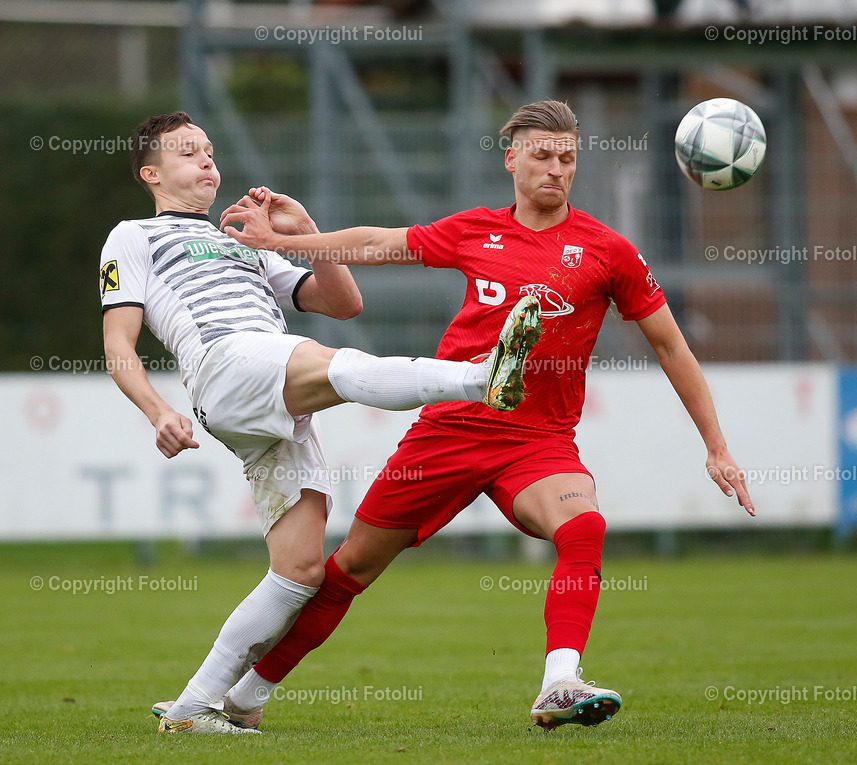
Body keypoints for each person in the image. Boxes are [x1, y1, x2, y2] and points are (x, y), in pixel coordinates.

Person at [208, 99, 755, 732]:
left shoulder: (608, 252)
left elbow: (671, 347)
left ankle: (559, 683)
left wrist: (716, 446)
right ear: (513, 160)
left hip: (538, 441)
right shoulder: (477, 230)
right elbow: (382, 242)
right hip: (450, 429)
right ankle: (248, 693)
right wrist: (283, 241)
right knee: (351, 567)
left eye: (568, 158)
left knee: (584, 528)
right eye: (543, 155)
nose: (556, 168)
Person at [102, 111, 542, 734]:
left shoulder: (244, 238)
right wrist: (159, 410)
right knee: (342, 366)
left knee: (301, 570)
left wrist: (302, 229)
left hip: (267, 389)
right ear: (151, 173)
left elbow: (343, 302)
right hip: (226, 362)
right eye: (187, 154)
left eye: (209, 151)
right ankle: (479, 377)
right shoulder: (134, 236)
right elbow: (118, 343)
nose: (207, 162)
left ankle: (194, 706)